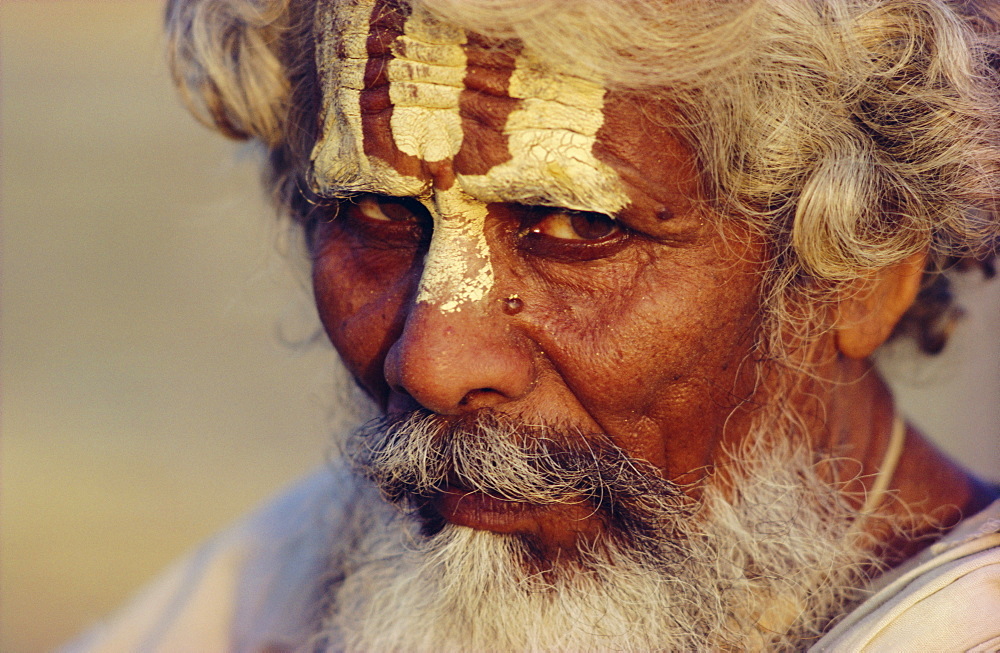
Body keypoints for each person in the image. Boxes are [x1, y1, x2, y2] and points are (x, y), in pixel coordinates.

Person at [66, 0, 1000, 650]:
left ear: (864, 270)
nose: (431, 362)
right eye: (373, 212)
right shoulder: (297, 583)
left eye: (576, 228)